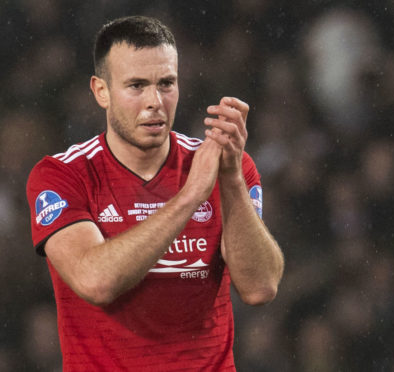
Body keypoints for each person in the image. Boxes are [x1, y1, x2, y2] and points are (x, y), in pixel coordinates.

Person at [26, 15, 284, 371]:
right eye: (136, 86)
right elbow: (96, 281)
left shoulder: (224, 165)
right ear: (101, 91)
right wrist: (190, 196)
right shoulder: (62, 175)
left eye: (166, 83)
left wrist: (232, 182)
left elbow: (261, 287)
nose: (155, 101)